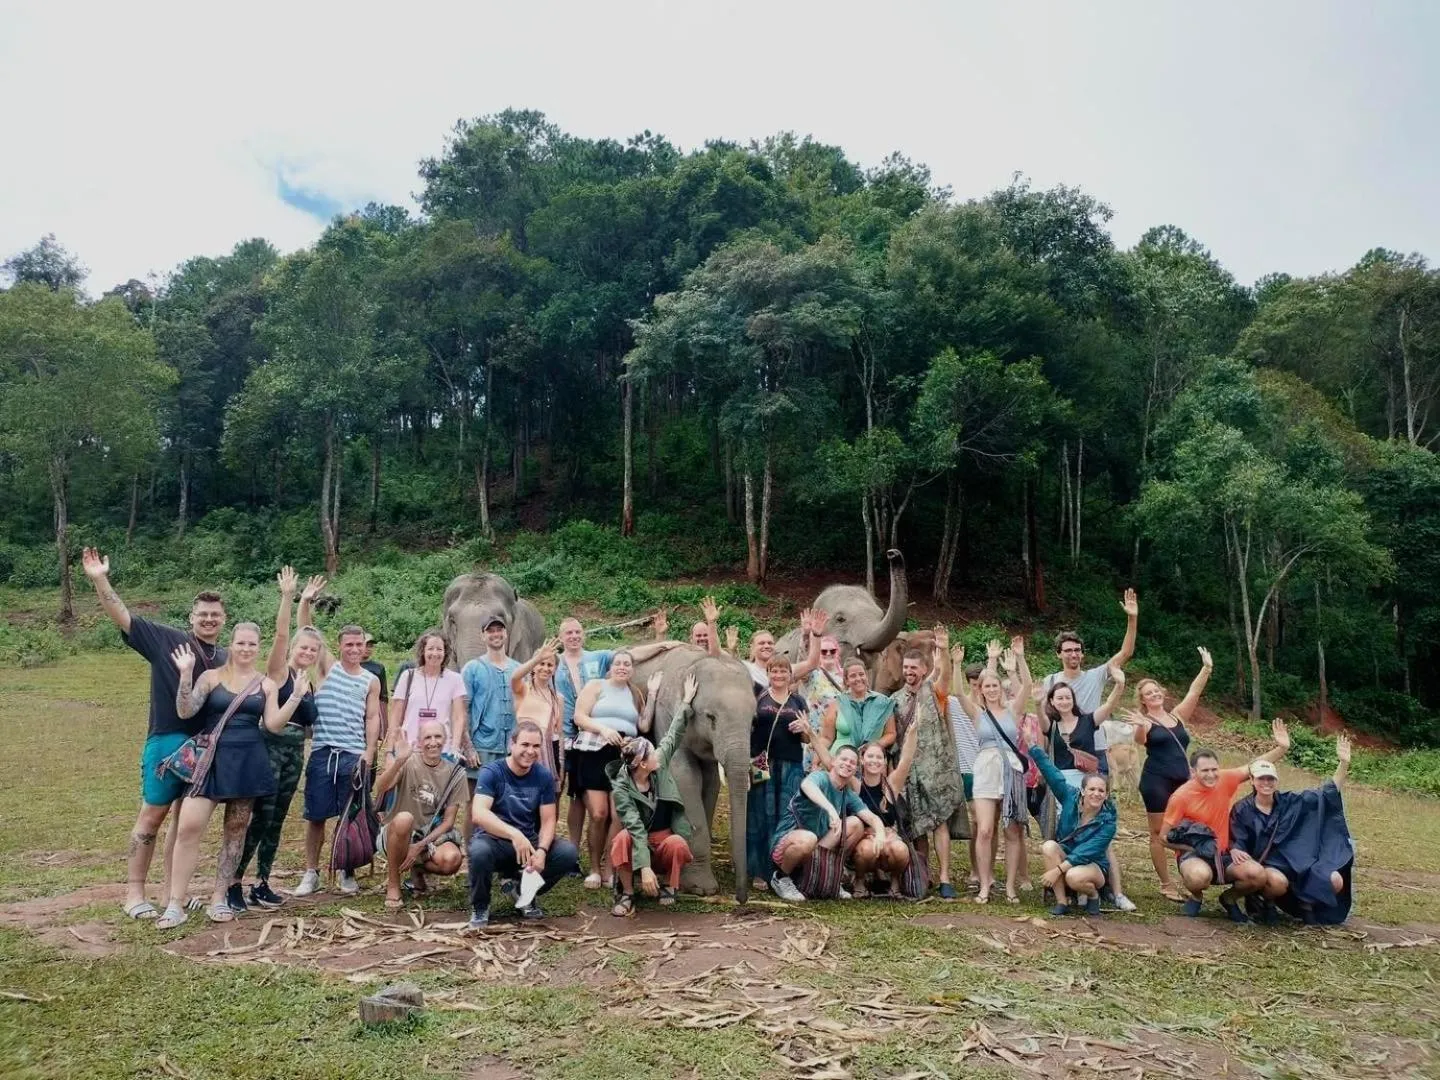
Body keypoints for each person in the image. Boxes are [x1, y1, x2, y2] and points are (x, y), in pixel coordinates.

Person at [81, 547, 228, 921]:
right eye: (202, 614)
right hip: (166, 740)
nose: (208, 620)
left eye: (215, 615)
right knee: (152, 816)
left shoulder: (227, 658)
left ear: (223, 620)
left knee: (183, 821)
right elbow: (122, 615)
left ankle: (170, 893)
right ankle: (134, 893)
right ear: (191, 617)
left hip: (205, 749)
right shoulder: (166, 640)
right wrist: (100, 579)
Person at [159, 624, 310, 928]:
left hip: (248, 761)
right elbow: (185, 711)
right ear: (232, 644)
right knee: (189, 827)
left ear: (258, 647)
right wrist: (186, 675)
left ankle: (219, 897)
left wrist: (294, 697)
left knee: (235, 832)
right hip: (211, 760)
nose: (246, 649)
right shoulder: (211, 677)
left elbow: (273, 725)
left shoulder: (265, 684)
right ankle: (175, 903)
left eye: (252, 644)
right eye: (241, 643)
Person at [231, 568, 322, 912]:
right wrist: (289, 597)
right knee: (258, 818)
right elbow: (283, 634)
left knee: (278, 819)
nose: (308, 653)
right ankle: (234, 882)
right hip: (268, 750)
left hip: (294, 754)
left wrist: (309, 605)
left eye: (313, 650)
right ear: (293, 649)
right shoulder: (280, 672)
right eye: (303, 648)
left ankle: (262, 882)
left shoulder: (307, 681)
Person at [294, 593, 382, 898]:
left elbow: (372, 717)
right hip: (322, 751)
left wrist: (369, 753)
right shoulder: (328, 667)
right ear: (341, 645)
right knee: (315, 815)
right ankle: (311, 872)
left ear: (365, 647)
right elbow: (306, 632)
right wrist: (304, 602)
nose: (355, 649)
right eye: (349, 644)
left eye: (360, 645)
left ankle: (347, 870)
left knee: (351, 816)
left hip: (353, 755)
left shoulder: (371, 680)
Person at [1163, 719, 1291, 920]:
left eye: (1214, 769)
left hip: (1225, 854)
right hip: (1195, 855)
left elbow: (1254, 766)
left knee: (1257, 874)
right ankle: (1196, 897)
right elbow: (1163, 838)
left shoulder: (1225, 779)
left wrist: (1281, 748)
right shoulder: (1181, 797)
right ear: (1193, 772)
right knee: (1198, 877)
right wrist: (1192, 849)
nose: (1211, 775)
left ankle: (1229, 898)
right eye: (1205, 771)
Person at [1037, 663, 1133, 913]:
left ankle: (1116, 892)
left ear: (1073, 699)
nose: (1064, 701)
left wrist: (1120, 685)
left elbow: (1110, 706)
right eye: (1059, 697)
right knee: (1066, 833)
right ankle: (1068, 892)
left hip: (1089, 782)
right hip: (1063, 785)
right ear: (1053, 701)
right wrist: (1037, 701)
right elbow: (1040, 726)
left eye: (1068, 697)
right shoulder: (1052, 725)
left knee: (1101, 840)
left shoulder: (1089, 720)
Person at [1229, 735, 1355, 924]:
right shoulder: (1242, 809)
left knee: (1335, 879)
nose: (1266, 783)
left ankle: (1307, 905)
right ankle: (1266, 901)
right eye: (1261, 778)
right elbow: (1237, 837)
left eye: (1270, 779)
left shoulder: (1290, 802)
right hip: (1268, 865)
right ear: (1252, 781)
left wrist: (1343, 764)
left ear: (1276, 781)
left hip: (1299, 863)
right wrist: (1235, 847)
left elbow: (1325, 794)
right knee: (1277, 882)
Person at [467, 721, 582, 928]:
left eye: (536, 746)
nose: (530, 751)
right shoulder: (492, 772)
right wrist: (514, 835)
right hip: (495, 841)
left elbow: (548, 820)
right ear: (512, 744)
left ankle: (522, 891)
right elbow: (479, 813)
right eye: (525, 745)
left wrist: (543, 850)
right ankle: (481, 906)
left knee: (568, 853)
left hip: (529, 844)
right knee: (478, 851)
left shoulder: (543, 776)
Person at [608, 674, 701, 915]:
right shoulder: (621, 786)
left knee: (677, 843)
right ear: (641, 764)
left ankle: (670, 886)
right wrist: (644, 867)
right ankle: (627, 892)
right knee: (622, 839)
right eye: (650, 755)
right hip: (639, 837)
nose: (655, 756)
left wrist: (686, 702)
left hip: (662, 837)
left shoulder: (657, 765)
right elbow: (635, 827)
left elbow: (672, 736)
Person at [1126, 647, 1214, 901]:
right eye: (1147, 694)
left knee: (1187, 829)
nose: (1153, 695)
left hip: (1183, 782)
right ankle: (1166, 884)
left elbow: (1194, 692)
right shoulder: (1145, 721)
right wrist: (1142, 726)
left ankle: (1190, 875)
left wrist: (1206, 668)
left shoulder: (1177, 716)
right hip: (1156, 781)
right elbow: (1140, 740)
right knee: (1158, 833)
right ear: (1142, 700)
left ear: (1162, 693)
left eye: (1155, 691)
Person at [951, 637, 1032, 904]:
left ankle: (1009, 886)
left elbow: (1028, 686)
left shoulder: (1012, 710)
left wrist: (1018, 659)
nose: (992, 689)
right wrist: (956, 664)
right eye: (987, 686)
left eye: (995, 685)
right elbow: (959, 693)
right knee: (985, 829)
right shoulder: (977, 713)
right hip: (985, 769)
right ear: (982, 690)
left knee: (1011, 830)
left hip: (1010, 770)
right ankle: (985, 884)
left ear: (1001, 688)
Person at [890, 630, 968, 899]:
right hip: (910, 774)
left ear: (924, 669)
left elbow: (945, 677)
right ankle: (923, 875)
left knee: (940, 824)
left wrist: (944, 652)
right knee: (916, 827)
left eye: (914, 667)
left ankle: (945, 876)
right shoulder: (895, 701)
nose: (909, 671)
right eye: (906, 667)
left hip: (937, 772)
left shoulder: (934, 692)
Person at [572, 650, 656, 888]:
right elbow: (579, 716)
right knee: (598, 814)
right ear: (610, 667)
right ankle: (594, 869)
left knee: (618, 815)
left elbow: (643, 724)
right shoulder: (596, 686)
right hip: (595, 753)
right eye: (618, 663)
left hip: (622, 757)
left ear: (632, 669)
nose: (622, 667)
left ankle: (611, 869)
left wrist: (653, 694)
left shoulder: (634, 692)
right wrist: (602, 729)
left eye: (627, 664)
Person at [769, 745, 888, 902]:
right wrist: (831, 809)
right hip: (789, 842)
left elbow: (872, 818)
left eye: (852, 762)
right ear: (833, 762)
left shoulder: (848, 793)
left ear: (855, 770)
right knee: (808, 838)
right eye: (843, 759)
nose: (848, 764)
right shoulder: (820, 777)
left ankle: (827, 875)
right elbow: (807, 785)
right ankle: (781, 877)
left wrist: (880, 834)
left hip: (816, 847)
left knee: (856, 824)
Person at [374, 719, 468, 909]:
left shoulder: (456, 773)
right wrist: (398, 761)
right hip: (395, 834)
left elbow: (448, 821)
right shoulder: (408, 761)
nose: (433, 742)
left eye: (437, 736)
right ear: (418, 741)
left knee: (452, 860)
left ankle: (417, 868)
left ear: (446, 740)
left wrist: (419, 846)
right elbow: (381, 787)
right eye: (427, 737)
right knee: (404, 819)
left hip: (428, 838)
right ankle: (394, 882)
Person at [745, 657, 812, 893]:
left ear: (790, 674)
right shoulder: (759, 697)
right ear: (768, 673)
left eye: (784, 671)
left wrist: (805, 730)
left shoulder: (798, 701)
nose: (779, 675)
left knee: (787, 815)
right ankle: (759, 871)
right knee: (759, 814)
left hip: (791, 764)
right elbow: (748, 726)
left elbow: (807, 739)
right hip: (761, 762)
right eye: (774, 671)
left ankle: (783, 870)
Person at [1028, 744, 1117, 917]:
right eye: (1092, 789)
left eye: (1101, 791)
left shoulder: (1109, 821)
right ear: (1083, 791)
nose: (1096, 794)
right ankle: (1062, 902)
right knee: (1049, 846)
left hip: (1093, 864)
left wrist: (1057, 870)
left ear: (1106, 795)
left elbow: (1085, 852)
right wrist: (1034, 748)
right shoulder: (1070, 796)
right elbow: (1053, 776)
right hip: (1068, 853)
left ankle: (1093, 895)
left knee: (1074, 876)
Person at [554, 616, 617, 854]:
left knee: (580, 794)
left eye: (577, 632)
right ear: (560, 638)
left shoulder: (598, 658)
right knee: (559, 789)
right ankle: (561, 849)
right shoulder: (553, 662)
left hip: (591, 738)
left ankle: (575, 847)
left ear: (584, 634)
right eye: (568, 633)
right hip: (563, 735)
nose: (574, 636)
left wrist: (662, 642)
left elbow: (629, 656)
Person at [849, 718, 921, 898]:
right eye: (870, 756)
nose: (874, 760)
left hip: (889, 836)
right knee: (866, 850)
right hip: (866, 838)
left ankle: (895, 881)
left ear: (883, 761)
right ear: (862, 760)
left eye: (878, 757)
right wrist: (812, 736)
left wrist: (912, 733)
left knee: (899, 850)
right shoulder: (856, 785)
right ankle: (860, 879)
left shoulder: (892, 785)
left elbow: (906, 759)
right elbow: (830, 763)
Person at [1040, 589, 1139, 713]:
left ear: (1082, 653)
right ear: (1058, 654)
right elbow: (1045, 716)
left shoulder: (1095, 676)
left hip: (1091, 732)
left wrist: (1132, 618)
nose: (1074, 654)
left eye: (1077, 650)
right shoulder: (1050, 681)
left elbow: (1126, 652)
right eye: (1068, 650)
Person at [460, 617, 521, 778]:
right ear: (483, 636)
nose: (495, 634)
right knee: (476, 799)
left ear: (506, 633)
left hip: (512, 748)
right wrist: (468, 748)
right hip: (482, 747)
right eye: (490, 631)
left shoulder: (518, 669)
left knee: (508, 800)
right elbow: (462, 711)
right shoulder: (472, 669)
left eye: (499, 630)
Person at [388, 628, 468, 750]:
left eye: (439, 649)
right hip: (409, 749)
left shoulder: (455, 679)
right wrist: (390, 750)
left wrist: (455, 747)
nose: (435, 653)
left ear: (445, 652)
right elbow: (395, 716)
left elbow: (459, 717)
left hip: (442, 749)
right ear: (423, 651)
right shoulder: (408, 676)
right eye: (430, 649)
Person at [511, 637, 564, 781]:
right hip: (523, 750)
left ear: (555, 669)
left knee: (548, 798)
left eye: (550, 665)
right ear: (534, 666)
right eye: (541, 663)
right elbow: (515, 677)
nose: (545, 668)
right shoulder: (524, 689)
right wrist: (537, 657)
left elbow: (559, 734)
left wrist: (561, 766)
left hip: (548, 753)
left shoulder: (557, 698)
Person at [821, 659, 896, 756]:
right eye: (853, 676)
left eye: (861, 674)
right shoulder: (838, 703)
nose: (858, 678)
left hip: (871, 759)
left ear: (866, 676)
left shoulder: (883, 702)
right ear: (846, 681)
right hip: (840, 760)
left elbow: (891, 733)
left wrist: (875, 745)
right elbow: (827, 738)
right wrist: (815, 762)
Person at [361, 635, 389, 708]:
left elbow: (383, 696)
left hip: (373, 707)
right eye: (366, 645)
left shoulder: (378, 667)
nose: (368, 649)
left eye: (371, 646)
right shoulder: (351, 666)